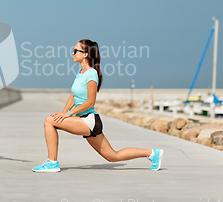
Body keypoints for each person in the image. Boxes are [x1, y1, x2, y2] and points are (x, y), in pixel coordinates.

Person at [32, 39, 163, 172]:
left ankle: (52, 163)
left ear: (85, 54)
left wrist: (68, 114)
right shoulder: (80, 73)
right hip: (83, 119)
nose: (72, 53)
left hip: (89, 120)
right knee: (113, 156)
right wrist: (64, 112)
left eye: (76, 50)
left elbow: (90, 102)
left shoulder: (91, 74)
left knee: (49, 121)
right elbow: (74, 96)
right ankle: (152, 153)